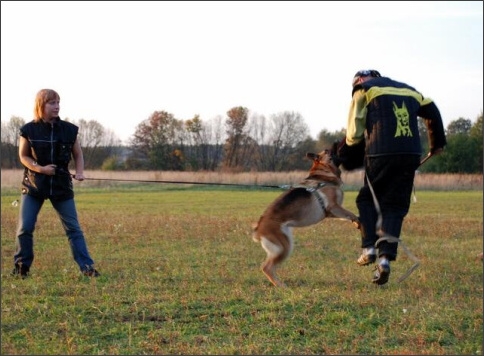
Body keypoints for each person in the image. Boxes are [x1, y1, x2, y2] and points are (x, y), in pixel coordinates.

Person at [334, 69, 446, 285]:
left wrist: (347, 154)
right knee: (394, 207)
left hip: (380, 152)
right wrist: (437, 144)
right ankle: (385, 259)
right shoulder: (409, 90)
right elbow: (433, 111)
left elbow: (354, 133)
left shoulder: (362, 89)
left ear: (359, 80)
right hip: (410, 153)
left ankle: (368, 248)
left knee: (366, 199)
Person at [11, 89, 100, 278]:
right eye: (52, 102)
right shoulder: (28, 130)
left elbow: (78, 154)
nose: (57, 106)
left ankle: (87, 268)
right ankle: (21, 269)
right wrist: (40, 169)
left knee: (73, 229)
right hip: (34, 186)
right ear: (40, 105)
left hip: (61, 187)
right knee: (24, 228)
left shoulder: (69, 129)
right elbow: (23, 156)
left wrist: (81, 172)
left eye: (58, 102)